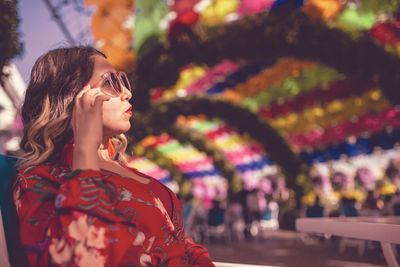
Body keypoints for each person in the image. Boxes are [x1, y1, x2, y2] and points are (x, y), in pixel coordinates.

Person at [12, 46, 214, 266]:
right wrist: (85, 148)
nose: (127, 93)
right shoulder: (39, 179)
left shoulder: (127, 170)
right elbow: (76, 258)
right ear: (74, 98)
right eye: (109, 82)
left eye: (122, 80)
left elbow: (178, 244)